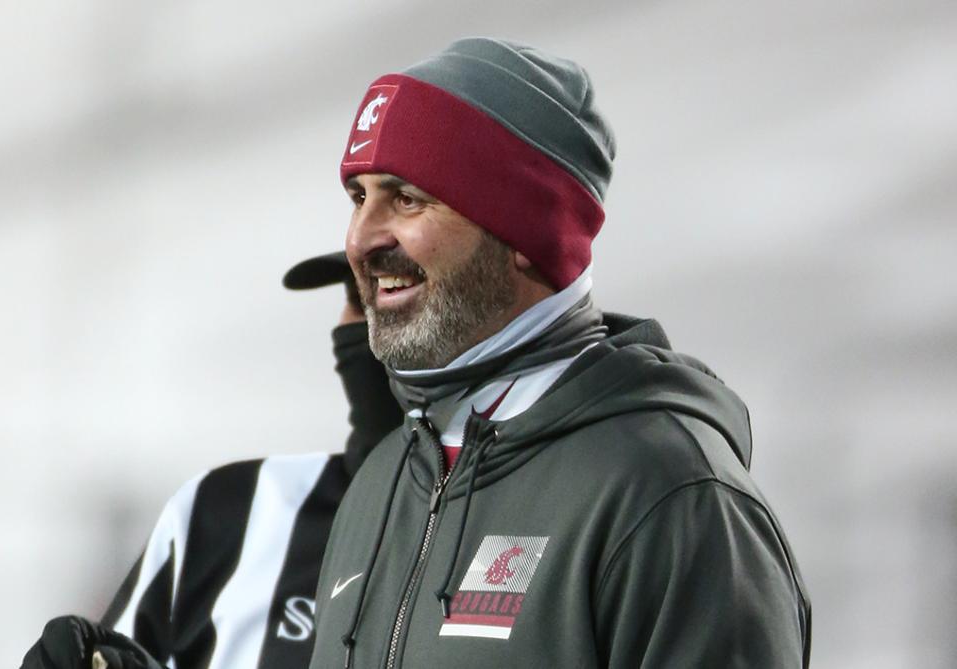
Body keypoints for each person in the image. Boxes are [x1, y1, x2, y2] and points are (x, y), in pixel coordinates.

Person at [308, 38, 812, 668]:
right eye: (359, 198)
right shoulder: (384, 480)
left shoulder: (670, 494)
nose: (360, 240)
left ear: (523, 230)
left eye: (406, 198)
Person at [20, 253, 402, 669]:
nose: (369, 321)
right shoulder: (230, 510)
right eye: (357, 296)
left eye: (394, 288)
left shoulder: (466, 526)